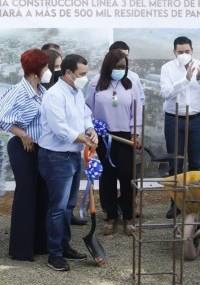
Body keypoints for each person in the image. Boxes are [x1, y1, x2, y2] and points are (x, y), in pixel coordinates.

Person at [38, 54, 98, 272]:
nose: (85, 77)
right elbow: (60, 128)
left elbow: (85, 116)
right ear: (68, 73)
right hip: (56, 157)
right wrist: (84, 138)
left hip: (72, 155)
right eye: (81, 74)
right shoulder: (54, 95)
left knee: (68, 206)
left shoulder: (76, 92)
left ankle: (65, 246)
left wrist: (91, 130)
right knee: (57, 208)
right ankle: (54, 254)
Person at [0, 49, 51, 261]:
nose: (48, 71)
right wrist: (22, 135)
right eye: (46, 67)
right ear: (36, 70)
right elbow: (3, 117)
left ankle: (40, 244)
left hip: (42, 147)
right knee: (26, 194)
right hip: (23, 148)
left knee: (42, 194)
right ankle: (21, 249)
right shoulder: (18, 92)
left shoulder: (43, 91)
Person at [86, 50, 142, 236]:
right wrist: (91, 131)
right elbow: (88, 109)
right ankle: (110, 216)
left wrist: (136, 133)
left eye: (124, 67)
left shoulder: (130, 84)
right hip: (103, 137)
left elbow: (137, 111)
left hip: (125, 137)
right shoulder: (96, 84)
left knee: (127, 177)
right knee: (107, 177)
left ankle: (128, 217)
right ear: (108, 66)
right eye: (117, 66)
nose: (121, 70)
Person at [161, 36, 200, 218]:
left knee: (196, 163)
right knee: (175, 163)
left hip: (196, 120)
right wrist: (186, 79)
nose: (184, 54)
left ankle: (195, 203)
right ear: (174, 52)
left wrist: (199, 79)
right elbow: (166, 93)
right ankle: (175, 204)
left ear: (192, 50)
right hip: (174, 119)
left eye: (187, 51)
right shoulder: (167, 68)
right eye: (180, 52)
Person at [109, 41, 145, 105]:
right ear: (110, 56)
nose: (124, 59)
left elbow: (141, 99)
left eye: (126, 56)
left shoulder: (134, 77)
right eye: (121, 55)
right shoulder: (97, 80)